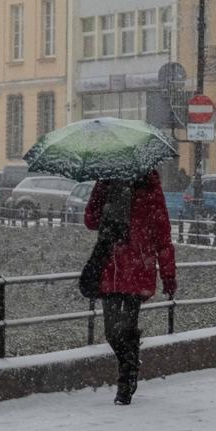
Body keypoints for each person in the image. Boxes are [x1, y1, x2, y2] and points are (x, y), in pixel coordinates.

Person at [83, 170, 177, 405]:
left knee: (126, 326)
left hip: (137, 267)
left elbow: (162, 233)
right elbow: (90, 220)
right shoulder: (106, 180)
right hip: (110, 266)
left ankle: (125, 384)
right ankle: (131, 364)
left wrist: (168, 274)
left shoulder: (149, 187)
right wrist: (100, 191)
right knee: (112, 332)